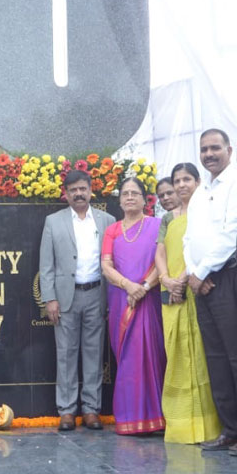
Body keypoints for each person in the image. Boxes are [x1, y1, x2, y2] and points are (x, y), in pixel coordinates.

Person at [184, 128, 237, 452]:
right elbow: (190, 237)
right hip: (201, 284)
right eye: (204, 150)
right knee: (215, 358)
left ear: (229, 150)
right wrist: (193, 273)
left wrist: (202, 272)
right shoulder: (201, 191)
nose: (209, 154)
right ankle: (229, 427)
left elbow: (234, 232)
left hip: (226, 279)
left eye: (215, 148)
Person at [40, 169, 114, 431]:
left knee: (94, 353)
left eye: (83, 188)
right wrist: (50, 299)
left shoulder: (107, 221)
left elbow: (114, 262)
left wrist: (111, 300)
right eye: (73, 190)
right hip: (65, 298)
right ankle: (67, 410)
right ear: (66, 194)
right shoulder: (53, 222)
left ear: (91, 190)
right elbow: (46, 265)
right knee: (66, 355)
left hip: (97, 294)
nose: (79, 193)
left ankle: (92, 409)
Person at [155, 163, 223, 444]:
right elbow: (159, 250)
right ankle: (181, 425)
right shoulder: (167, 219)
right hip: (170, 291)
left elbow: (201, 248)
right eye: (177, 180)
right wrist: (166, 278)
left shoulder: (205, 210)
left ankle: (208, 426)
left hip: (195, 286)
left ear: (197, 181)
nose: (181, 185)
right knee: (177, 355)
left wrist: (181, 280)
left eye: (186, 179)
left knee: (201, 356)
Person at [99, 177, 164, 434]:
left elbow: (163, 261)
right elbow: (106, 266)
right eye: (125, 194)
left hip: (150, 298)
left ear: (145, 199)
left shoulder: (157, 226)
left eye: (134, 193)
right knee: (127, 358)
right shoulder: (112, 230)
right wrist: (129, 286)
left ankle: (156, 417)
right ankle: (129, 418)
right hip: (121, 299)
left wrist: (144, 287)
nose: (129, 198)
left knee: (153, 355)